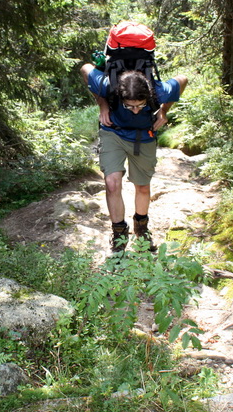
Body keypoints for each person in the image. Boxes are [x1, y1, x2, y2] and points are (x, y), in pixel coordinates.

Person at [80, 22, 187, 254]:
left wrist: (164, 111)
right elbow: (86, 68)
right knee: (111, 183)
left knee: (142, 187)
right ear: (120, 95)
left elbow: (182, 79)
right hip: (113, 133)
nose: (136, 110)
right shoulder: (108, 85)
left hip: (144, 137)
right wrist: (103, 103)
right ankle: (119, 234)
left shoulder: (158, 90)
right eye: (130, 106)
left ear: (148, 96)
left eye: (141, 106)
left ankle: (141, 229)